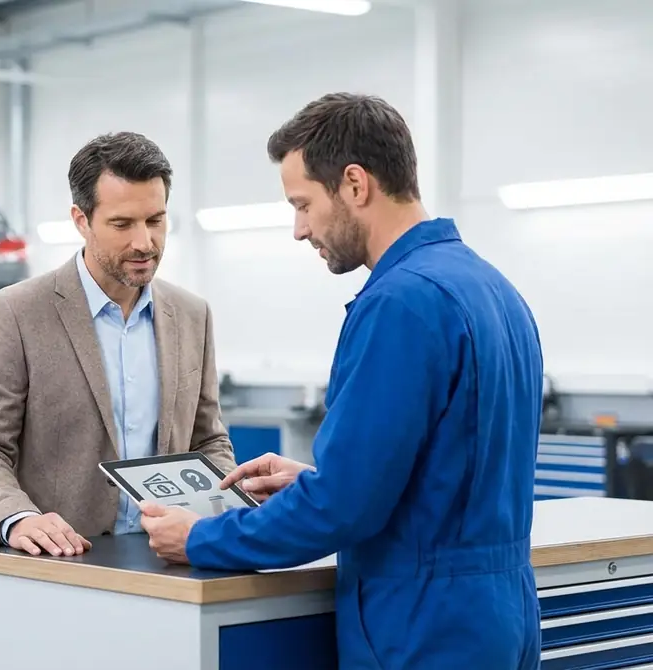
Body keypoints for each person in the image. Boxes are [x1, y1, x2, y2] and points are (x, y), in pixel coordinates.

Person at [139, 93, 544, 669]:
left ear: (355, 184)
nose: (299, 229)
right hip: (502, 615)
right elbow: (452, 473)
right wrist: (318, 479)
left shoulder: (400, 304)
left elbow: (341, 509)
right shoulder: (493, 288)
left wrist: (199, 538)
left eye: (303, 204)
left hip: (422, 627)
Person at [0, 131, 238, 557]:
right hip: (62, 559)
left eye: (155, 221)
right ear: (81, 220)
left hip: (169, 559)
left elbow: (208, 441)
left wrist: (228, 512)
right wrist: (18, 517)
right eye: (122, 224)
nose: (144, 243)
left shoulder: (192, 315)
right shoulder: (14, 313)